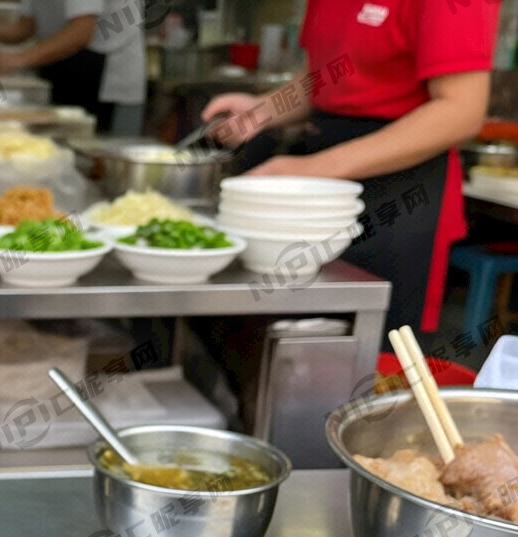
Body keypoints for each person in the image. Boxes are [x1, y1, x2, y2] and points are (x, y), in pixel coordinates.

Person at [202, 0, 501, 342]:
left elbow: (460, 113)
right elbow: (328, 75)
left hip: (399, 194)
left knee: (374, 347)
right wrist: (260, 111)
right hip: (323, 179)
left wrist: (312, 172)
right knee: (294, 338)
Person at [0, 0, 146, 134]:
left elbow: (82, 31)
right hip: (65, 65)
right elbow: (28, 25)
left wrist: (18, 59)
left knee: (95, 158)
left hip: (105, 76)